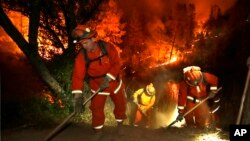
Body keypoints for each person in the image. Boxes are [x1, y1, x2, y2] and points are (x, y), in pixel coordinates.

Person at [71, 25, 127, 135]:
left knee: (121, 104)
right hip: (97, 85)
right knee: (96, 108)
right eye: (82, 44)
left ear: (93, 39)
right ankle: (98, 131)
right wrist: (78, 96)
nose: (84, 46)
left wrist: (108, 77)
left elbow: (116, 63)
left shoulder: (107, 47)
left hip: (114, 82)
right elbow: (77, 76)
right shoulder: (81, 57)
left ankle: (120, 125)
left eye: (86, 43)